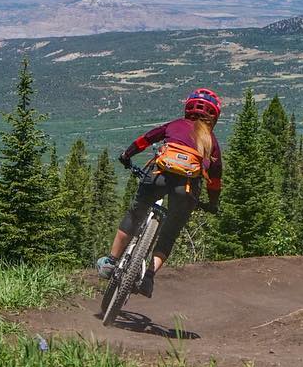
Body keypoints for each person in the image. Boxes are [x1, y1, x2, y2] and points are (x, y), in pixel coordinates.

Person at [95, 88, 223, 297]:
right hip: (187, 189)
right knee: (170, 232)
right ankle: (148, 278)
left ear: (187, 109)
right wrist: (213, 203)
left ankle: (110, 262)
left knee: (135, 214)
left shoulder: (175, 125)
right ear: (214, 116)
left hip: (158, 177)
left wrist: (127, 156)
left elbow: (145, 139)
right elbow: (215, 179)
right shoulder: (212, 141)